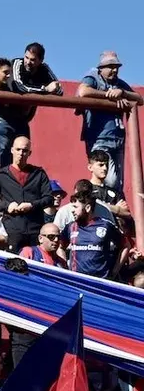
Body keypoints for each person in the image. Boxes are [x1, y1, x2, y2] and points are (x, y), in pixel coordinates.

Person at [77, 51, 143, 190]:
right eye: (111, 66)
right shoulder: (93, 77)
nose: (115, 70)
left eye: (116, 67)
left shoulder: (119, 84)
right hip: (99, 138)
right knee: (108, 180)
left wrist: (122, 93)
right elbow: (83, 91)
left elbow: (140, 99)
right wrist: (108, 96)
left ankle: (111, 210)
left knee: (117, 185)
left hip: (117, 139)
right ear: (101, 68)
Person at [0, 136, 53, 251]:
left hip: (35, 229)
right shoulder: (1, 175)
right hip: (12, 230)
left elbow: (49, 199)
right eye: (18, 149)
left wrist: (32, 205)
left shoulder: (39, 174)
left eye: (25, 150)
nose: (21, 153)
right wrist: (6, 206)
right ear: (12, 150)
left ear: (29, 153)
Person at [65, 190, 126, 279]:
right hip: (77, 281)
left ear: (88, 208)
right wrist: (65, 269)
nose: (72, 211)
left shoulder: (106, 225)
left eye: (75, 207)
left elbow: (125, 246)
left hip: (100, 282)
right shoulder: (70, 227)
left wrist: (114, 271)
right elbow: (60, 247)